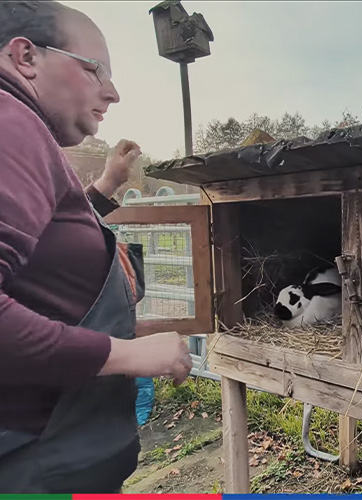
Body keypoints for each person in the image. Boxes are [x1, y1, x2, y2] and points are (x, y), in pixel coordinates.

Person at [0, 0, 193, 493]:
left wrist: (106, 187)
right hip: (33, 461)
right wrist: (128, 354)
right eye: (95, 70)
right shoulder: (10, 124)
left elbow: (45, 241)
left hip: (47, 450)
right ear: (26, 57)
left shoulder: (24, 131)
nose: (113, 92)